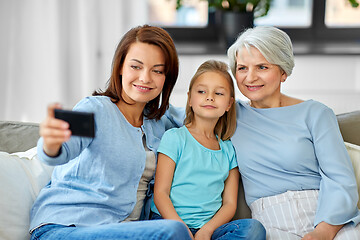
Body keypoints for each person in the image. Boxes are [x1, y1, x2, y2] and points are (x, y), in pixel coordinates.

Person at [29, 25, 192, 240]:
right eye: (136, 66)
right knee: (173, 231)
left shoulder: (160, 122)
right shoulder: (94, 109)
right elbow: (61, 150)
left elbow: (200, 115)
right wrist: (51, 144)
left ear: (166, 78)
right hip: (66, 227)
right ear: (120, 67)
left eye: (157, 70)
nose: (145, 78)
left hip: (125, 230)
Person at [227, 26, 360, 239]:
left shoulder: (316, 113)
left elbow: (340, 179)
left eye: (262, 67)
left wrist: (323, 232)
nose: (250, 77)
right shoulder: (227, 114)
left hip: (330, 222)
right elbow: (181, 114)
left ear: (283, 72)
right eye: (242, 68)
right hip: (271, 225)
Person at [151, 60, 266, 240]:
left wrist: (207, 230)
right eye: (202, 91)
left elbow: (229, 204)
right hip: (170, 223)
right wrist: (182, 230)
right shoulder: (175, 138)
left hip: (209, 231)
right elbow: (160, 193)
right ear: (190, 99)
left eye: (219, 93)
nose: (210, 97)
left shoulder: (228, 149)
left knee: (253, 229)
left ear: (229, 104)